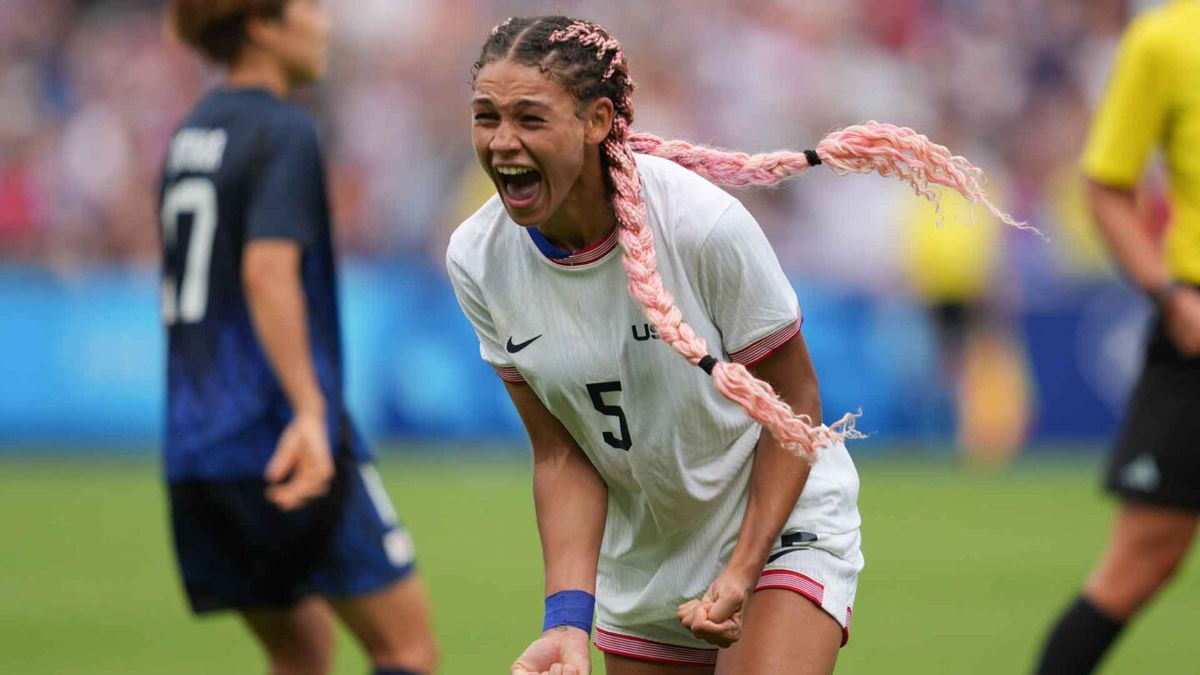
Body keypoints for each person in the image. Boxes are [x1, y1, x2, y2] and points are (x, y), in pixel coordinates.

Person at [447, 16, 1023, 675]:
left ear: (598, 119)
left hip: (778, 529)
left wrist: (744, 566)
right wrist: (566, 621)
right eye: (485, 116)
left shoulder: (700, 223)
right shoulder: (476, 258)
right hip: (649, 555)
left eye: (529, 117)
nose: (502, 141)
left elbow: (795, 402)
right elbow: (561, 455)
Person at [159, 2, 437, 673]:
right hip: (284, 434)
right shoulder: (283, 130)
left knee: (301, 650)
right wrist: (312, 413)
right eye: (309, 6)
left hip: (198, 449)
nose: (325, 23)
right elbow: (266, 269)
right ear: (260, 23)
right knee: (407, 648)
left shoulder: (190, 133)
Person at [1033, 2, 1200, 673]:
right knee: (1140, 562)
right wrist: (1170, 295)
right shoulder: (1166, 40)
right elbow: (1107, 184)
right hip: (1195, 336)